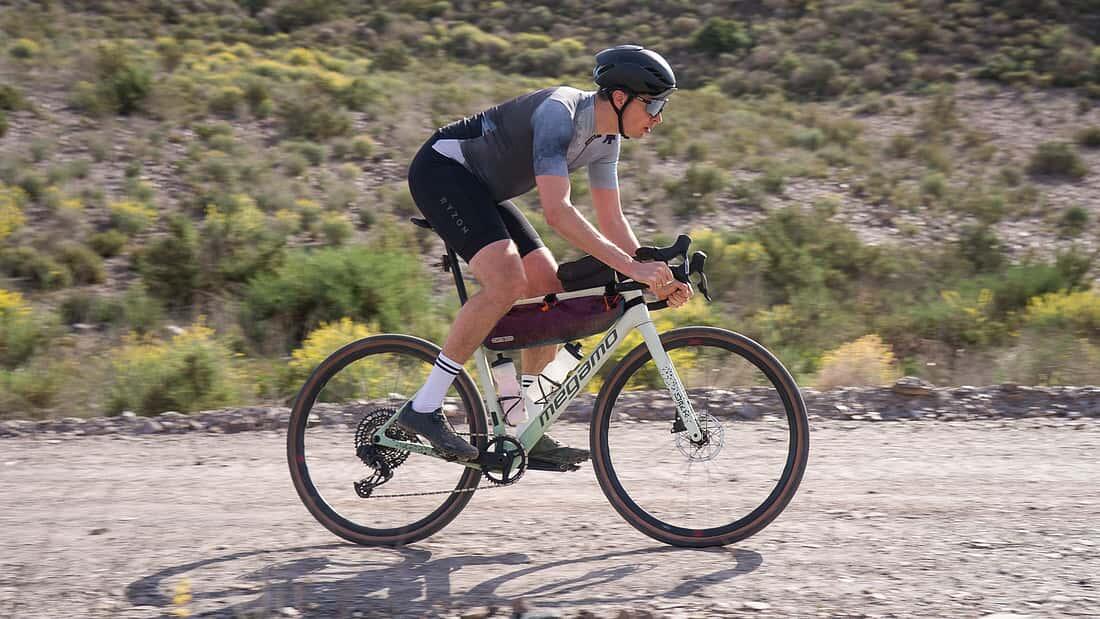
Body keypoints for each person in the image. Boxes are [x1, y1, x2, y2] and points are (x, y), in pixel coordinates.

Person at [396, 44, 694, 464]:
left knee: (547, 291)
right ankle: (424, 406)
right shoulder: (560, 114)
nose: (658, 118)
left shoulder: (607, 140)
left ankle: (523, 423)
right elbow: (557, 212)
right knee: (506, 281)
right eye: (654, 105)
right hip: (442, 172)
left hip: (482, 191)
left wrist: (655, 277)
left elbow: (613, 221)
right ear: (620, 97)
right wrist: (631, 267)